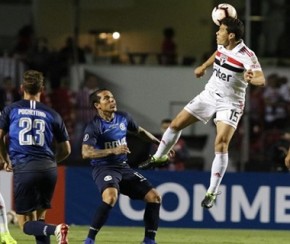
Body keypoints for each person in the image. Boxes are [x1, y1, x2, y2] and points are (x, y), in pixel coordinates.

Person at [139, 17, 266, 209]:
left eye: (221, 30)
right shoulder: (223, 46)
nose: (217, 33)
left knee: (221, 144)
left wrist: (251, 78)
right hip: (209, 95)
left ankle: (212, 191)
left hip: (230, 103)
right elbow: (218, 54)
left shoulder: (247, 55)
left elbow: (261, 79)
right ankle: (160, 156)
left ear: (231, 35)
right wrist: (204, 67)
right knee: (175, 125)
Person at [82, 89, 162, 244]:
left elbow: (139, 131)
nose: (112, 100)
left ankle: (149, 240)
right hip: (104, 168)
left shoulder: (123, 118)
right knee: (111, 197)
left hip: (124, 168)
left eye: (112, 97)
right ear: (97, 105)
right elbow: (86, 153)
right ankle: (90, 240)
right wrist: (113, 150)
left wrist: (158, 142)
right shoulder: (94, 126)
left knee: (155, 197)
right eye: (106, 98)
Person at [0, 70, 71, 244]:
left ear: (21, 88)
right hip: (48, 169)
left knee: (25, 224)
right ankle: (52, 230)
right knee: (40, 220)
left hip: (24, 168)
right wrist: (50, 163)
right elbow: (66, 149)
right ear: (42, 89)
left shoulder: (12, 110)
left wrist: (4, 159)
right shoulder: (53, 114)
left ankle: (56, 229)